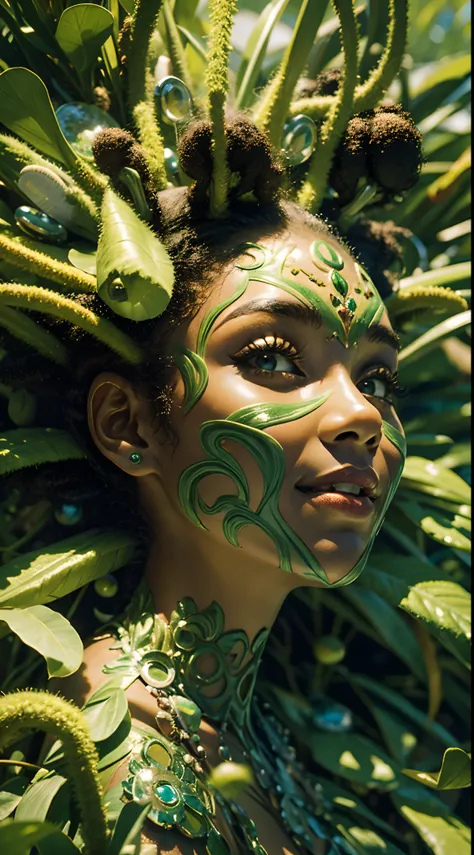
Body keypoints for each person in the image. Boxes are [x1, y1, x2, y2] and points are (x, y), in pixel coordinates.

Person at [0, 1, 464, 853]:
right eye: (276, 357)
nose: (363, 413)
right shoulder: (114, 742)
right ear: (128, 422)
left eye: (378, 377)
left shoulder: (249, 736)